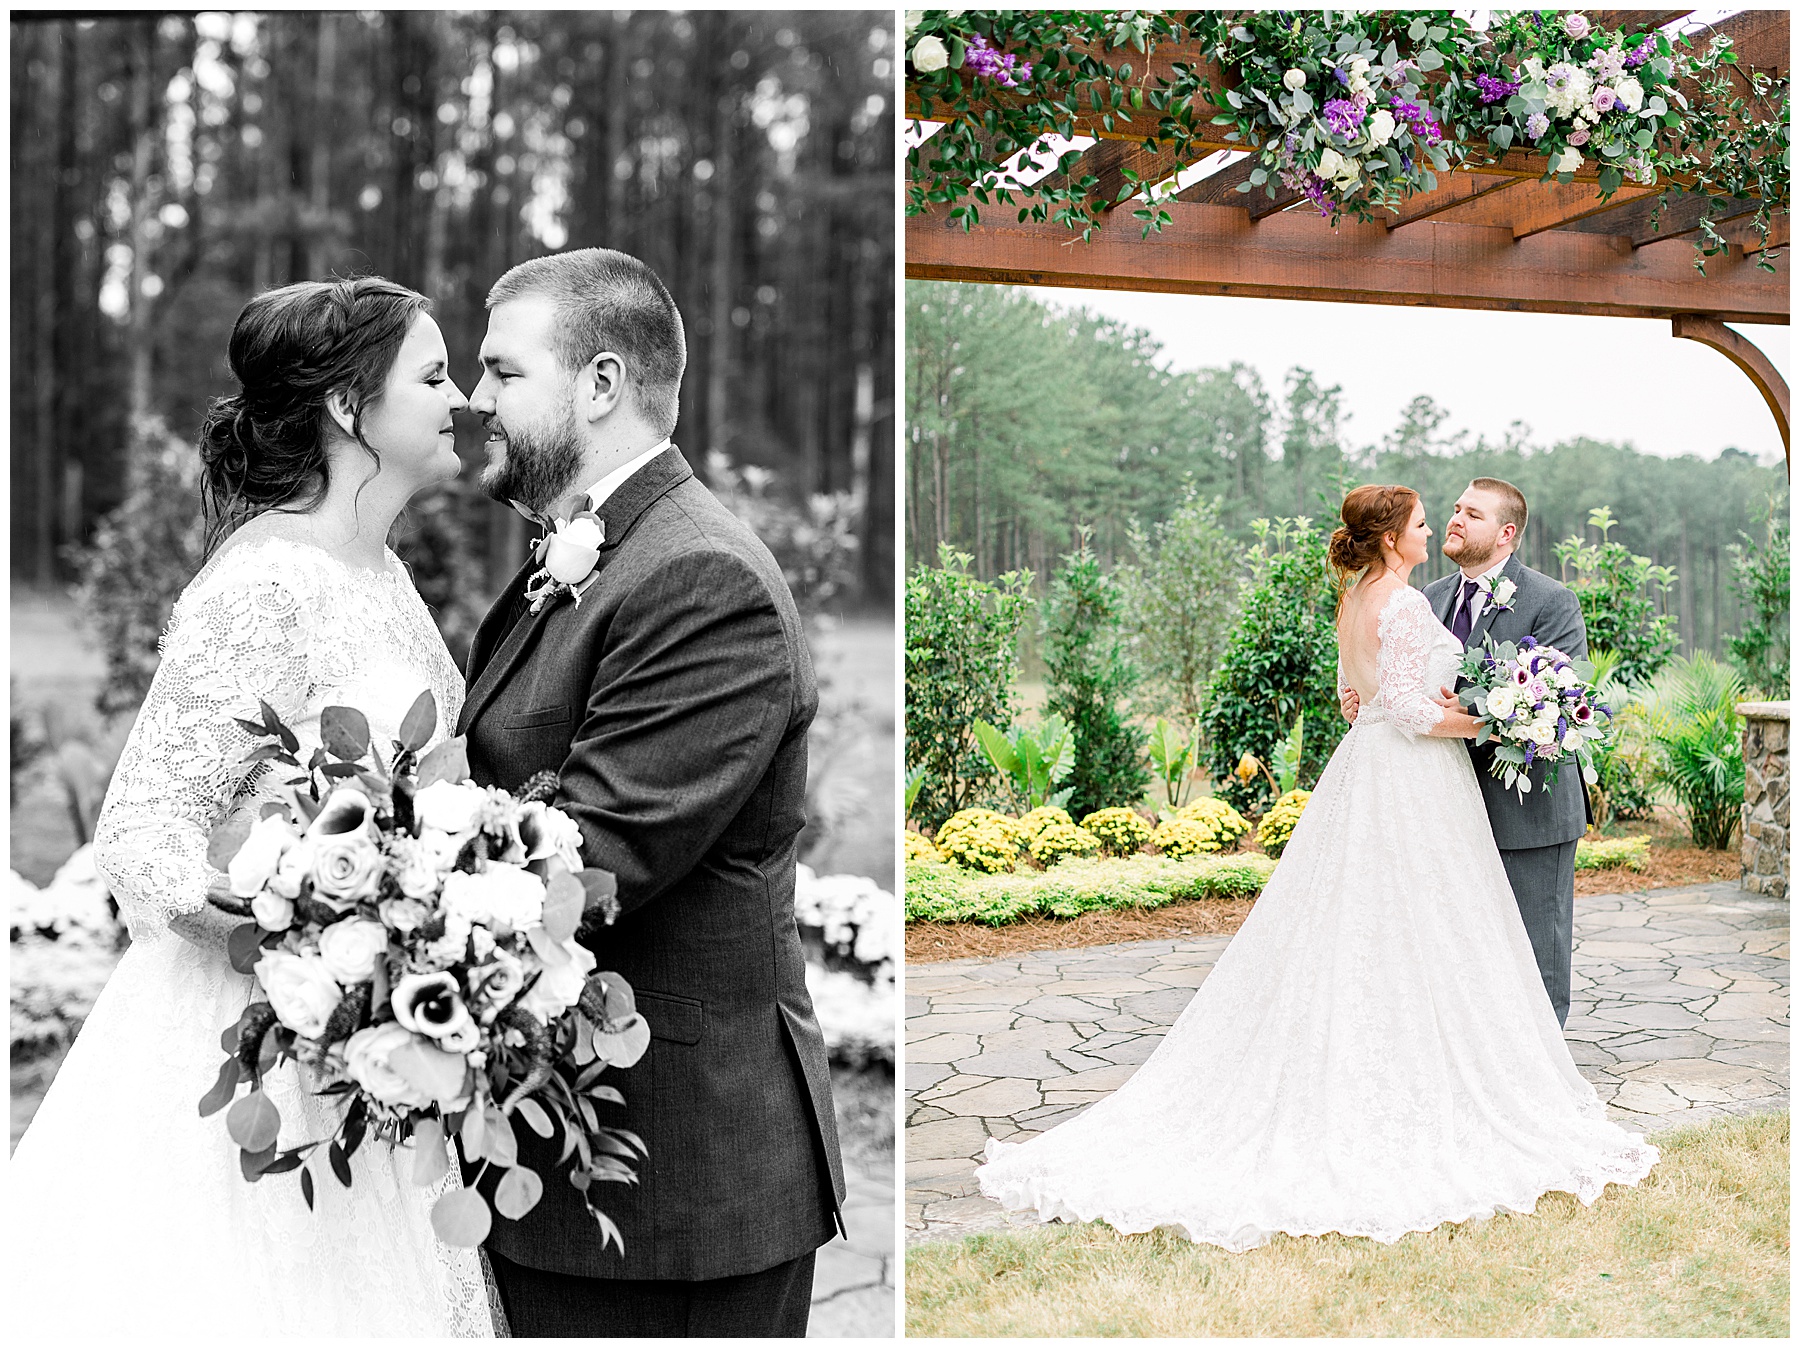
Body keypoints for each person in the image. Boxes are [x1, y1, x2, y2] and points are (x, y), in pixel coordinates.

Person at [974, 485, 1656, 1250]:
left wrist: (1460, 707)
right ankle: (1440, 1089)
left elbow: (1372, 690)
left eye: (1458, 516)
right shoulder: (1406, 598)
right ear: (1394, 538)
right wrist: (1495, 717)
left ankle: (1488, 1072)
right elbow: (1406, 706)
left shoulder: (1387, 593)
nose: (1443, 527)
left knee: (1420, 936)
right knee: (1410, 930)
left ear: (1504, 531)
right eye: (1432, 520)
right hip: (1413, 781)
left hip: (1409, 780)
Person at [8, 278, 495, 1336]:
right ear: (350, 409)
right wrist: (306, 939)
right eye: (434, 373)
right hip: (275, 1048)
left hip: (377, 1042)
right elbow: (139, 835)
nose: (462, 398)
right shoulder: (268, 580)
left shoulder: (382, 573)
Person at [455, 247, 845, 1337]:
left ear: (602, 383)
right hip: (578, 1164)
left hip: (671, 1180)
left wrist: (372, 899)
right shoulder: (592, 553)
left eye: (501, 371)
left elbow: (593, 857)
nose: (478, 401)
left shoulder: (697, 577)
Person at [1342, 478, 1589, 1025]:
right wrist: (1368, 695)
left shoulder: (1551, 601)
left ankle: (1543, 1058)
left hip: (1525, 810)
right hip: (1437, 805)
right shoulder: (1421, 598)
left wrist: (1480, 706)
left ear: (1506, 534)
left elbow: (1560, 698)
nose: (1453, 520)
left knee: (1533, 944)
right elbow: (1392, 683)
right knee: (1459, 947)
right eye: (1452, 510)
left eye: (1471, 514)